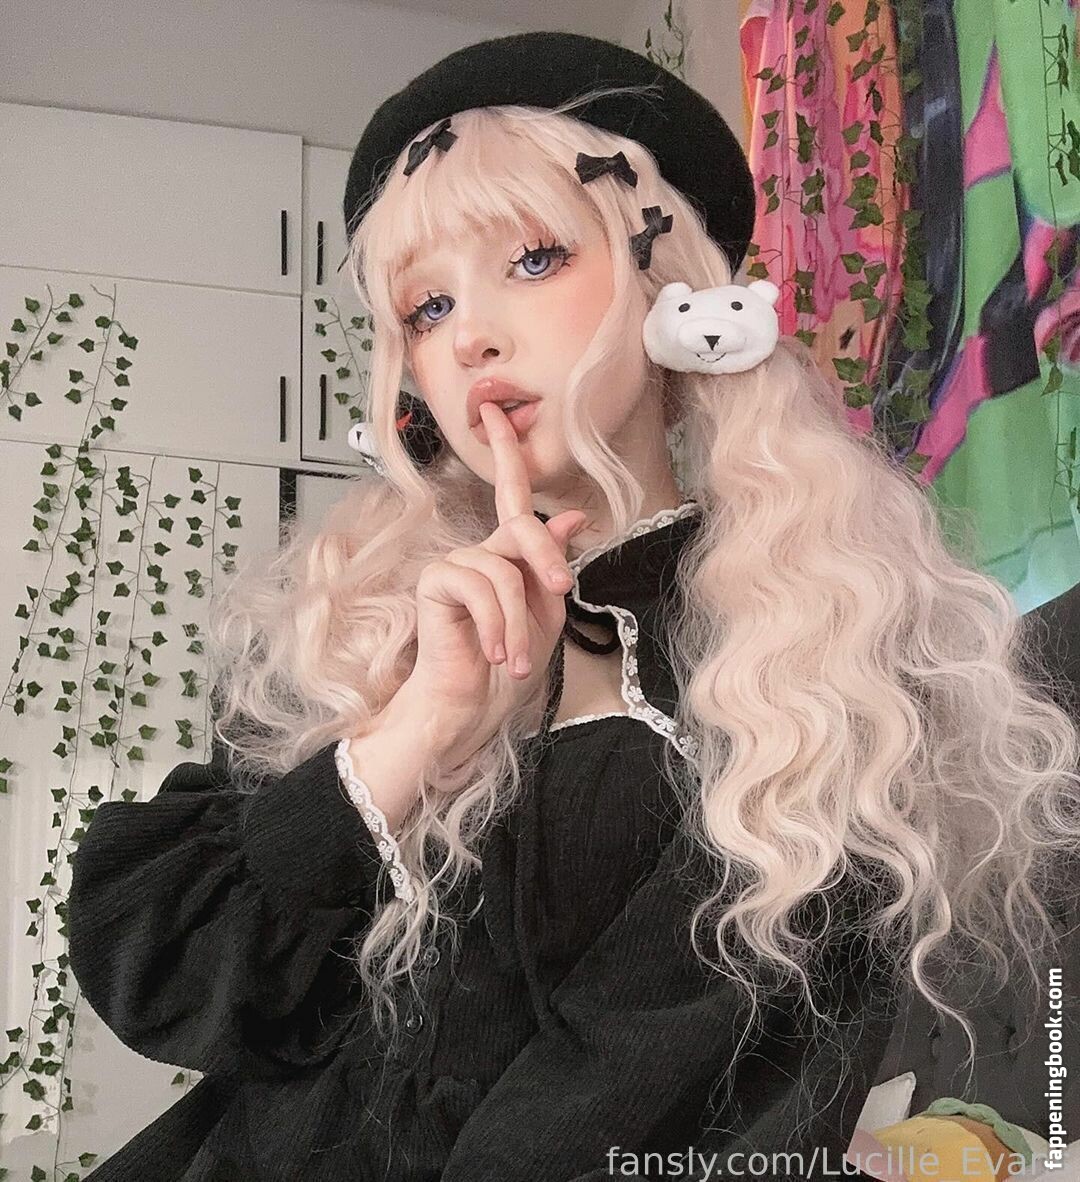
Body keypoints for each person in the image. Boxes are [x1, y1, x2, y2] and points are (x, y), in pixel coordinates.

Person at [67, 31, 1080, 1182]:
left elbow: (638, 1115)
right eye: (426, 308)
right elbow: (168, 976)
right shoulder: (352, 631)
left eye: (534, 259)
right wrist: (418, 729)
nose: (471, 337)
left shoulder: (810, 663)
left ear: (669, 291)